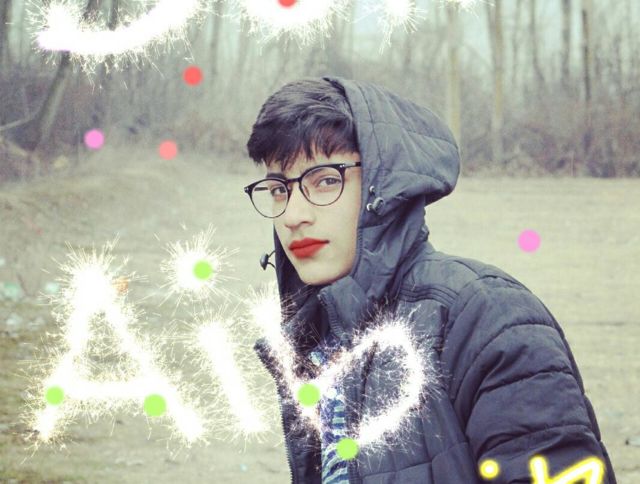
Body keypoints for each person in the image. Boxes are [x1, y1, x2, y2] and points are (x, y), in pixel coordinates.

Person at [244, 77, 616, 483]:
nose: (293, 215)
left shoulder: (488, 318)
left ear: (385, 188)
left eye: (326, 180)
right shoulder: (318, 341)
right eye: (278, 189)